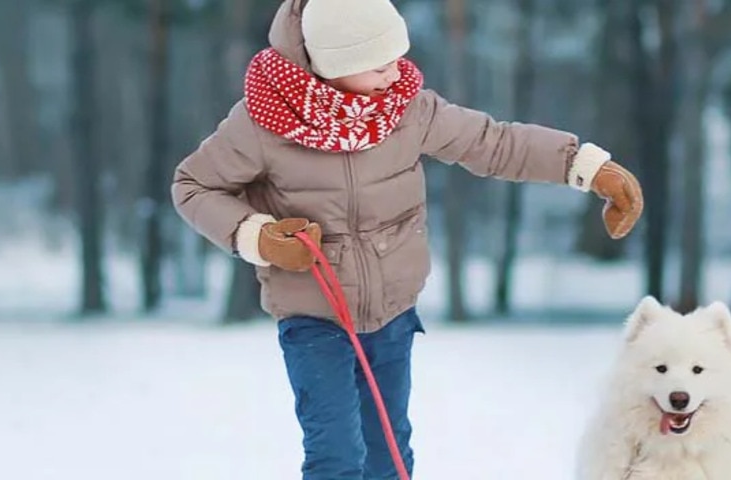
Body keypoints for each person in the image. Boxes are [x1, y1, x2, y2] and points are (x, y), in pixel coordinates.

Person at [170, 0, 643, 478]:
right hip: (314, 319)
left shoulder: (406, 108)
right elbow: (192, 186)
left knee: (388, 452)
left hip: (392, 314)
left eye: (397, 58)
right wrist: (259, 237)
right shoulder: (263, 122)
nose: (394, 74)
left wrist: (584, 167)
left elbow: (492, 142)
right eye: (379, 65)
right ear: (335, 66)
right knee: (335, 455)